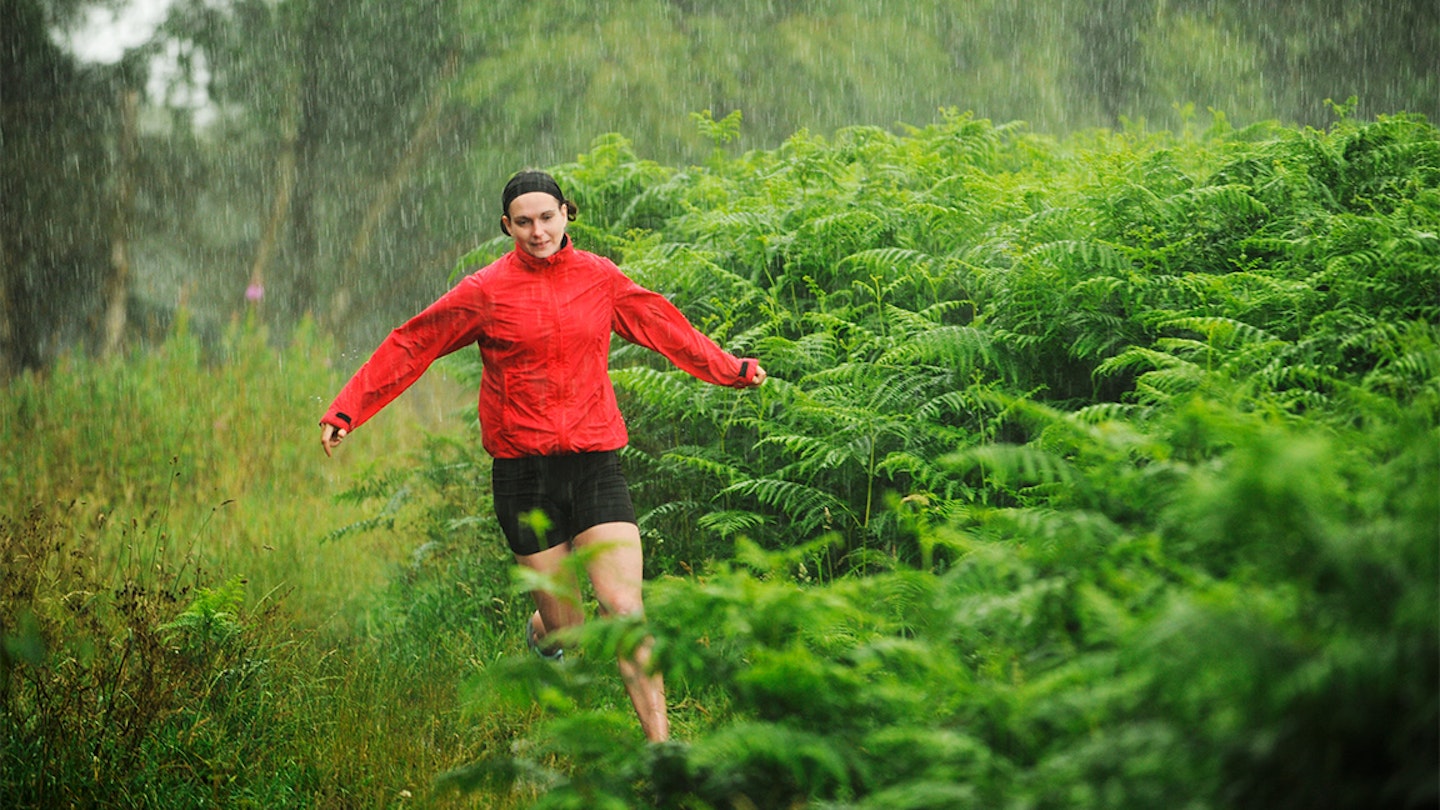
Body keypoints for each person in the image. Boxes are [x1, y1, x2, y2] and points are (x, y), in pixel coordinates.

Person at [318, 169, 766, 742]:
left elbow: (663, 326)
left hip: (595, 462)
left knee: (626, 613)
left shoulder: (598, 278)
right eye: (523, 222)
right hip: (523, 477)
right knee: (571, 632)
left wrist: (732, 370)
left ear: (565, 214)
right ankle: (543, 633)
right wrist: (347, 410)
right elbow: (413, 342)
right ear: (507, 226)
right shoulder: (484, 291)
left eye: (547, 218)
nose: (537, 231)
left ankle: (663, 754)